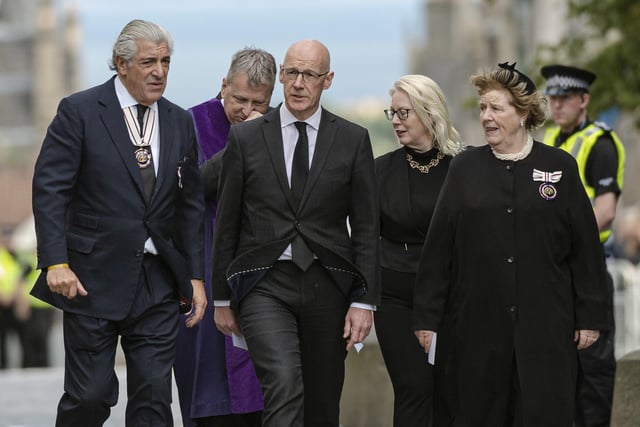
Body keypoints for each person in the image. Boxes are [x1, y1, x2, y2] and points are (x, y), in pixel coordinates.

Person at [412, 62, 610, 426]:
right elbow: (439, 249)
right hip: (475, 329)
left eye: (496, 108)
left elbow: (585, 250)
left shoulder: (559, 167)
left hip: (546, 329)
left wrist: (591, 316)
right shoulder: (465, 168)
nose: (486, 116)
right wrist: (427, 317)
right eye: (483, 107)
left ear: (523, 114)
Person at [31, 19, 206, 426]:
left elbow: (190, 207)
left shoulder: (180, 122)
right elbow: (50, 189)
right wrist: (55, 261)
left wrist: (194, 275)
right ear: (120, 63)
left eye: (165, 61)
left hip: (158, 283)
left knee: (153, 400)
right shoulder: (79, 112)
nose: (159, 71)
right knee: (89, 397)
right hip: (91, 278)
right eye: (148, 61)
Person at [211, 39, 380, 427]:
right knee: (284, 384)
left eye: (309, 75)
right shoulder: (247, 138)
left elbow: (368, 228)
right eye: (291, 73)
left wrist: (365, 301)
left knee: (322, 403)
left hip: (329, 284)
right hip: (264, 284)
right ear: (281, 77)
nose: (298, 83)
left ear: (328, 80)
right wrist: (222, 295)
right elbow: (228, 222)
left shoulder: (352, 140)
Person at [174, 47, 277, 427]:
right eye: (239, 100)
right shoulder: (189, 124)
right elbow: (189, 190)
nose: (246, 111)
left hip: (259, 278)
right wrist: (244, 139)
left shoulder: (279, 129)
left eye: (258, 103)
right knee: (210, 397)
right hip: (202, 270)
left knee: (264, 398)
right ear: (223, 85)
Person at [375, 74, 462, 427]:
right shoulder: (379, 170)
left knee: (450, 391)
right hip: (396, 296)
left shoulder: (464, 167)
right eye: (391, 113)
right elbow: (364, 237)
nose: (395, 120)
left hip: (451, 295)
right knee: (413, 388)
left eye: (403, 112)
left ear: (429, 112)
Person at [541, 64, 625, 427]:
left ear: (584, 100)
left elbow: (605, 211)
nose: (556, 106)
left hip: (588, 270)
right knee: (558, 376)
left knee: (592, 376)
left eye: (565, 99)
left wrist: (560, 238)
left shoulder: (600, 143)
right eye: (552, 99)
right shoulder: (548, 141)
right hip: (553, 273)